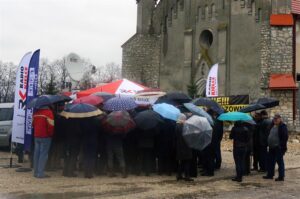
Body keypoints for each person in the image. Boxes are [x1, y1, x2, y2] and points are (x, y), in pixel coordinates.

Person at [263, 114, 288, 181]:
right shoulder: (272, 125)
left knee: (280, 162)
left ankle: (281, 177)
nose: (275, 120)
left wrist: (280, 145)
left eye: (276, 119)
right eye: (274, 119)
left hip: (279, 148)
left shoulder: (282, 126)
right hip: (271, 147)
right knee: (270, 161)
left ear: (280, 119)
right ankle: (270, 175)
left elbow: (285, 137)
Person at [32, 106, 55, 178]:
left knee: (36, 154)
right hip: (45, 136)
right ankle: (40, 173)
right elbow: (51, 126)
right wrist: (50, 134)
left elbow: (32, 124)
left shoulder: (36, 113)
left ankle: (35, 172)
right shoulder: (49, 113)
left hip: (36, 136)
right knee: (43, 155)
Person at [175, 114, 193, 181]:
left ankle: (179, 175)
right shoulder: (184, 126)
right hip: (186, 146)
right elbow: (187, 136)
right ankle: (187, 176)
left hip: (179, 146)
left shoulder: (177, 125)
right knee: (187, 161)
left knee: (181, 161)